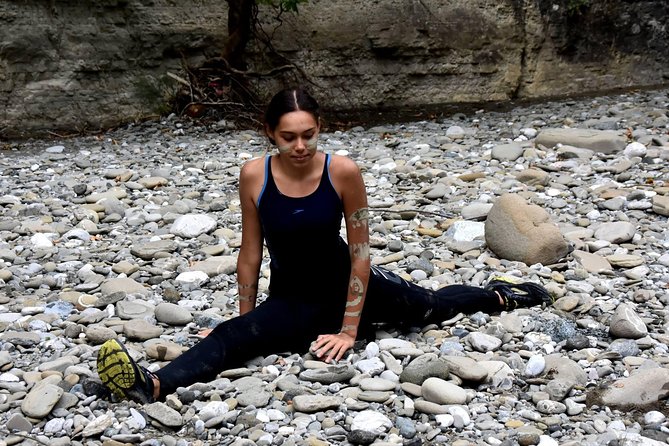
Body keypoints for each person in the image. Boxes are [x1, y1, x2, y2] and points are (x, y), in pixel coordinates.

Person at [96, 87, 552, 403]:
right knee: (233, 338)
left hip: (353, 288)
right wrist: (245, 315)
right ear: (270, 133)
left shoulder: (343, 172)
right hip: (293, 297)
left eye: (308, 135)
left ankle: (500, 294)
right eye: (288, 136)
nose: (300, 146)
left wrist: (350, 331)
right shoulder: (254, 175)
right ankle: (152, 385)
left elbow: (360, 254)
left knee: (429, 306)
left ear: (320, 129)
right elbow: (250, 251)